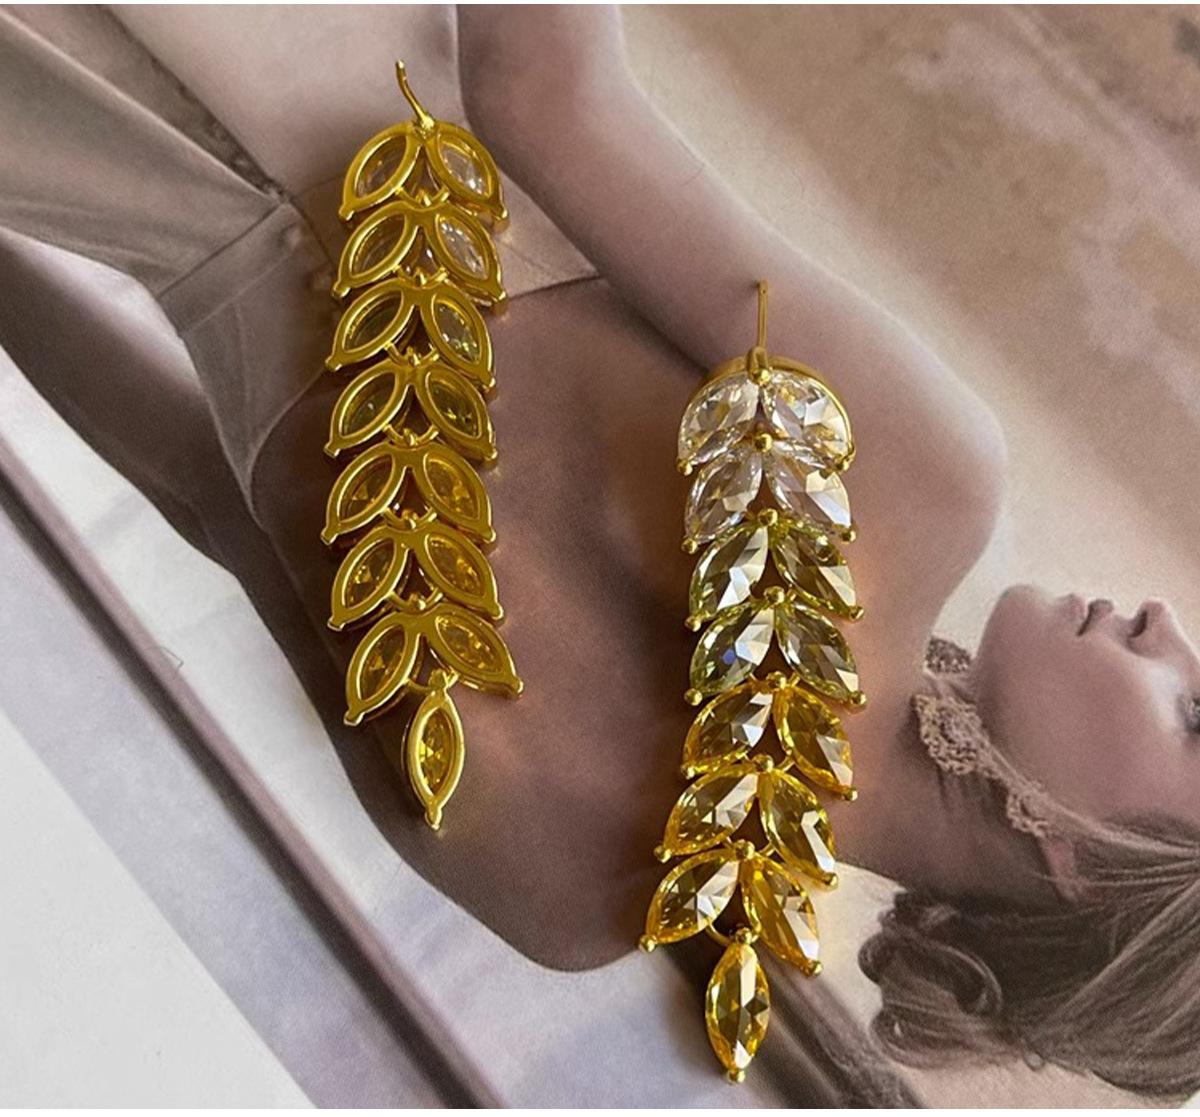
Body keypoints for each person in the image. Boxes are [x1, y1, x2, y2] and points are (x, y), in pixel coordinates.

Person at [3, 7, 1196, 1096]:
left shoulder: (922, 481)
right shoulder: (569, 904)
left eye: (1193, 713)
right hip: (71, 158)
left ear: (1088, 864)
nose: (1172, 630)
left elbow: (542, 90)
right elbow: (205, 496)